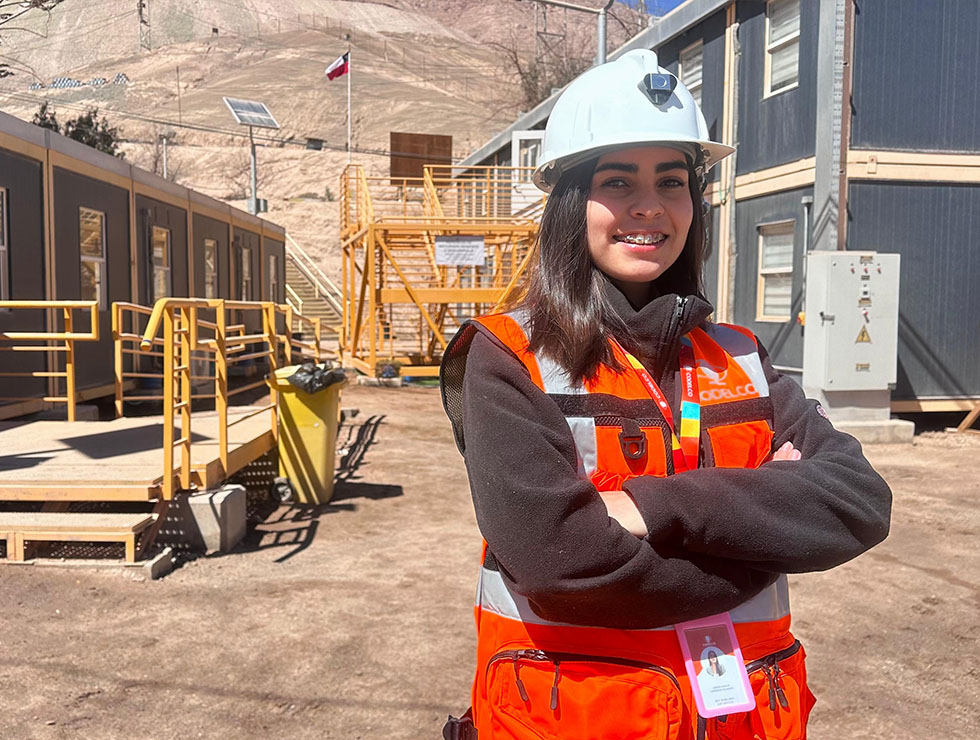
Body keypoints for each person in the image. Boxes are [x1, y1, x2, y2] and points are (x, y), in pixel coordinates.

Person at [440, 49, 891, 740]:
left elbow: (858, 503)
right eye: (618, 181)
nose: (648, 206)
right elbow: (557, 559)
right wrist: (766, 532)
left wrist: (650, 506)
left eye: (671, 181)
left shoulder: (740, 357)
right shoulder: (508, 359)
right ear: (569, 202)